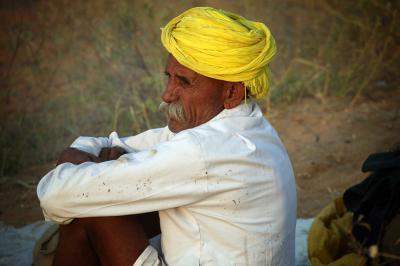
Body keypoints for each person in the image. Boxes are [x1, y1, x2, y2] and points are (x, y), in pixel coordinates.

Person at [37, 6, 297, 266]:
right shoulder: (246, 124)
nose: (167, 94)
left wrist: (72, 159)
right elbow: (113, 143)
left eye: (184, 82)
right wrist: (90, 161)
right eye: (169, 78)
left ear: (231, 93)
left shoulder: (205, 149)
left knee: (91, 209)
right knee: (97, 197)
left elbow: (54, 196)